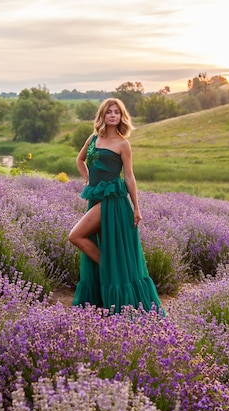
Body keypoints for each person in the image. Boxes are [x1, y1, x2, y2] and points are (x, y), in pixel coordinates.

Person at [69, 98, 163, 314]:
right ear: (102, 115)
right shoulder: (93, 139)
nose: (113, 115)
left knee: (75, 235)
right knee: (95, 241)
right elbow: (80, 160)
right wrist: (87, 179)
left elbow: (129, 177)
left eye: (117, 112)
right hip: (97, 199)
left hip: (114, 202)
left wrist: (137, 208)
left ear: (121, 117)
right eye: (109, 112)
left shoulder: (123, 144)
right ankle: (112, 272)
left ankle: (110, 271)